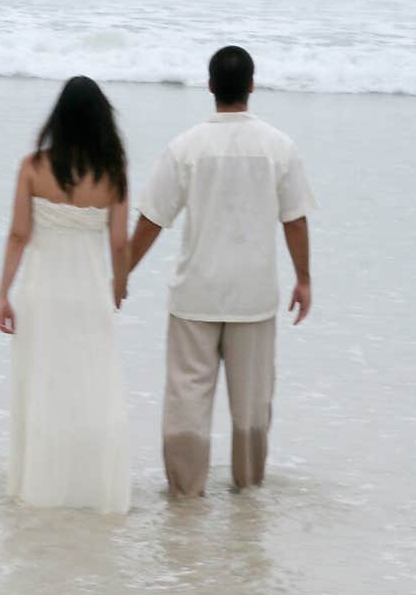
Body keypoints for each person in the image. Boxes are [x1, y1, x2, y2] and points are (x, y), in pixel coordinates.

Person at [130, 45, 316, 497]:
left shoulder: (186, 146)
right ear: (252, 85)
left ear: (210, 85)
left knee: (186, 399)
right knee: (252, 405)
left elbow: (153, 217)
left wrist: (122, 272)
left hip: (196, 292)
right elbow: (294, 219)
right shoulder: (279, 146)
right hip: (253, 294)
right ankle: (248, 489)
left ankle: (185, 492)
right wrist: (304, 279)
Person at [0, 76, 131, 514]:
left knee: (43, 386)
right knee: (91, 389)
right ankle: (89, 489)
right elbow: (118, 243)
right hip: (89, 291)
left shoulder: (33, 167)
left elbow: (19, 234)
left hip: (41, 291)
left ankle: (40, 487)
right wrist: (120, 282)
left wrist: (3, 293)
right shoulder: (114, 174)